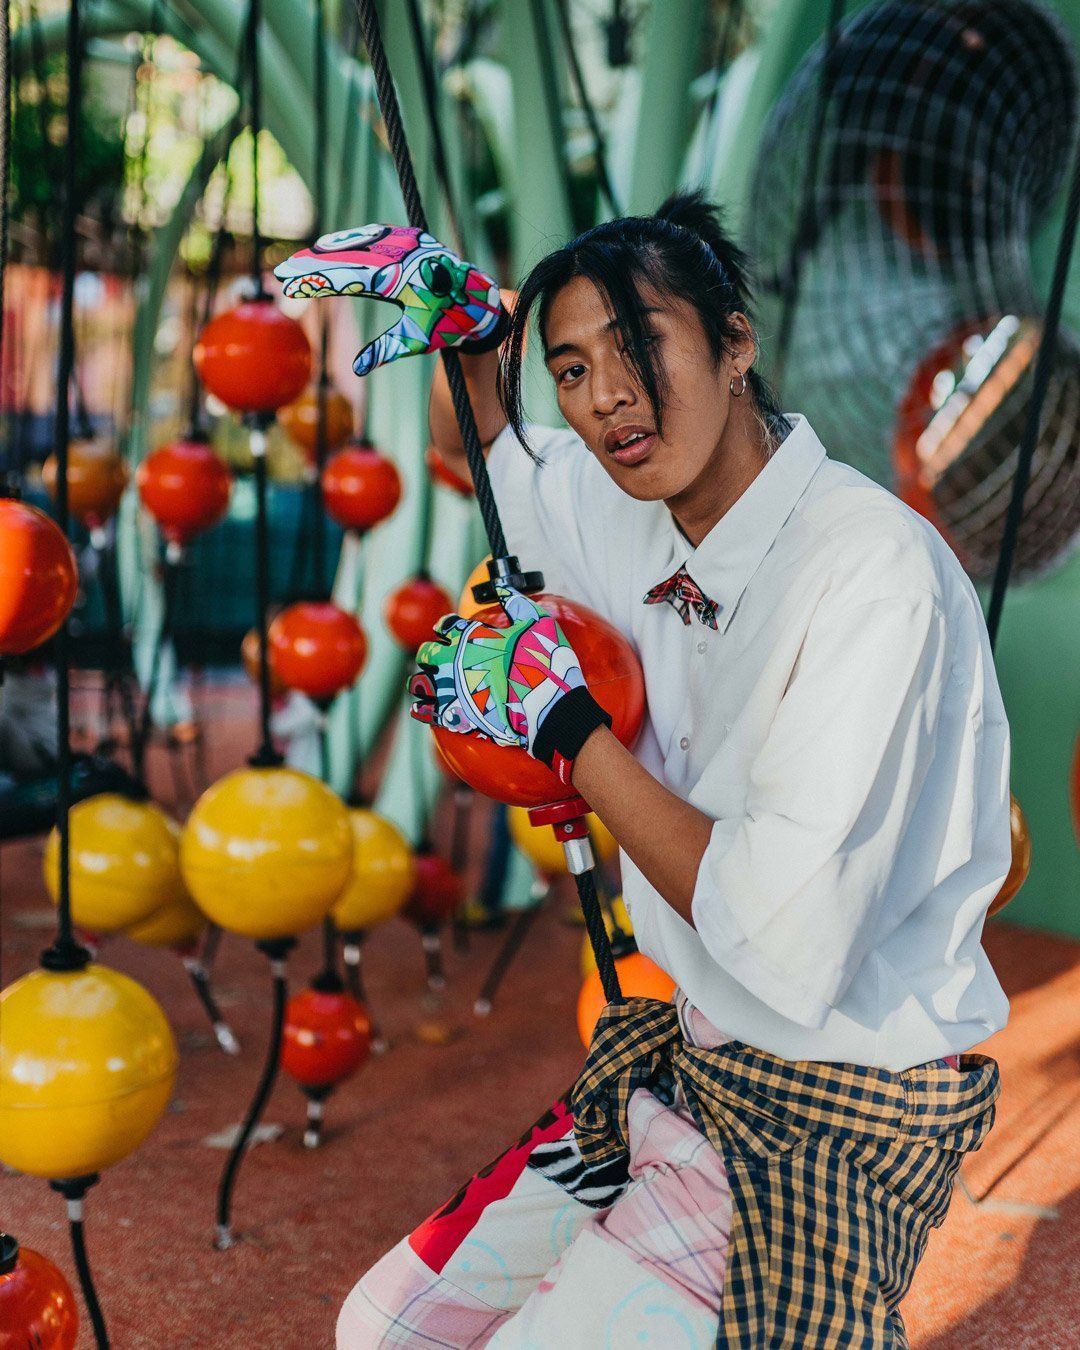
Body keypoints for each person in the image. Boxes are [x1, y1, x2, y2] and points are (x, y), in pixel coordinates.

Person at [277, 194, 1010, 1347]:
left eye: (638, 345)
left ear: (735, 342)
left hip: (836, 1106)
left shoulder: (872, 574)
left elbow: (778, 935)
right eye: (571, 368)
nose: (605, 395)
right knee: (384, 1330)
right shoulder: (637, 504)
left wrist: (567, 732)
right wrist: (478, 341)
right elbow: (487, 458)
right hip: (690, 1067)